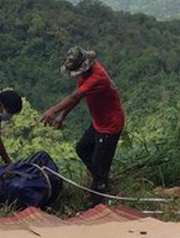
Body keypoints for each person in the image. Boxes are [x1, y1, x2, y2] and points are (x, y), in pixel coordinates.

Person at [40, 46, 125, 201]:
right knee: (82, 149)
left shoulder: (97, 77)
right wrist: (63, 115)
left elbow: (74, 96)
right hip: (99, 122)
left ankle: (98, 198)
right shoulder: (85, 75)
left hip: (110, 126)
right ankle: (101, 178)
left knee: (99, 169)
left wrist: (53, 111)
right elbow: (78, 96)